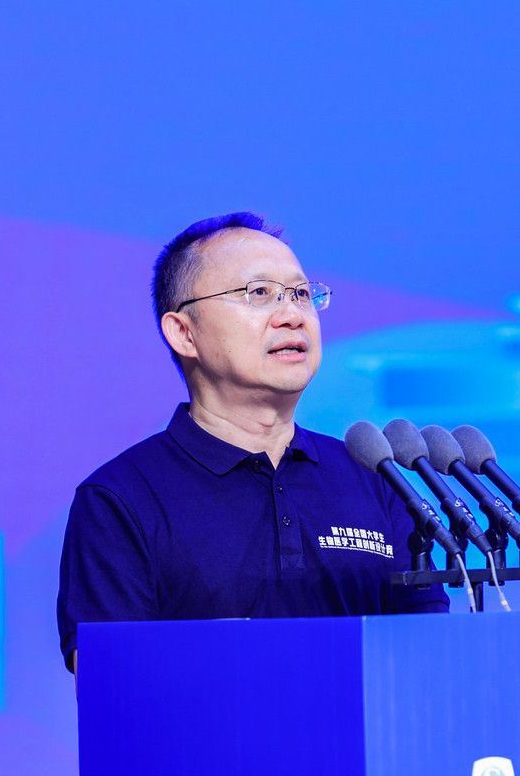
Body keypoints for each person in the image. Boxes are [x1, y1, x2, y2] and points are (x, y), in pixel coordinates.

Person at [57, 212, 448, 671]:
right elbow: (113, 689)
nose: (293, 316)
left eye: (301, 294)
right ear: (184, 333)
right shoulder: (120, 500)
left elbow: (431, 661)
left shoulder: (374, 478)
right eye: (259, 293)